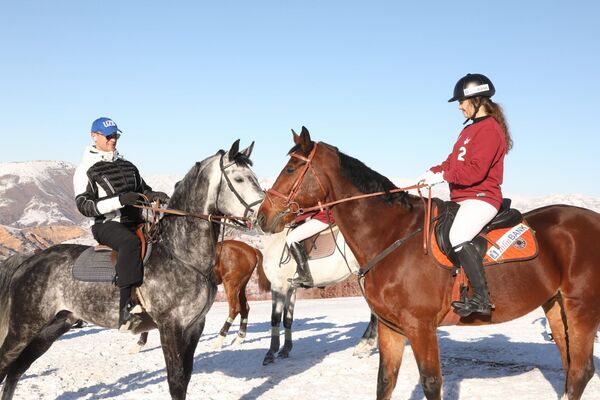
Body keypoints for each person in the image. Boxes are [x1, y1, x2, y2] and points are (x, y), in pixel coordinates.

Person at [417, 73, 513, 317]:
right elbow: (453, 161)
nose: (459, 106)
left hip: (482, 197)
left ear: (478, 100)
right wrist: (434, 171)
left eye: (462, 101)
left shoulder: (490, 130)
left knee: (458, 234)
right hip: (462, 199)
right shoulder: (469, 131)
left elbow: (475, 171)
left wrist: (444, 177)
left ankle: (481, 299)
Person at [73, 117, 169, 331]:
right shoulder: (85, 169)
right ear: (94, 136)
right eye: (109, 136)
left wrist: (153, 195)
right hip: (108, 224)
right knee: (129, 243)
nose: (113, 140)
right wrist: (119, 200)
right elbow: (84, 205)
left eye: (116, 135)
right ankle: (124, 309)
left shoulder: (128, 165)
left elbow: (143, 189)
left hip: (136, 220)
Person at [286, 209, 335, 288]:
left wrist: (297, 218)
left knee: (291, 238)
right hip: (324, 214)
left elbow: (312, 205)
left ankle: (305, 277)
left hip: (324, 216)